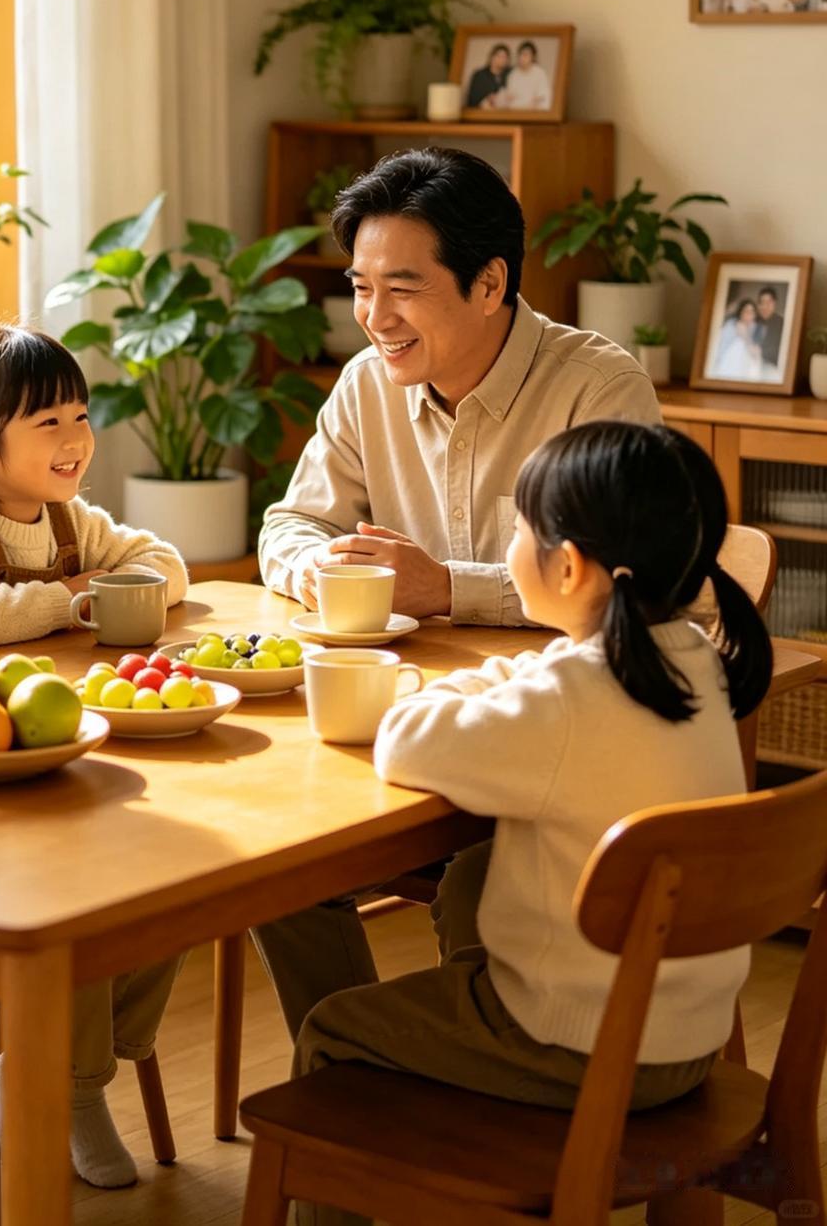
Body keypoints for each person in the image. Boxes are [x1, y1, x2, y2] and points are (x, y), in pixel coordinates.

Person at [292, 421, 772, 1226]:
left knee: (334, 1029)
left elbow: (404, 739)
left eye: (520, 529)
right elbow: (547, 687)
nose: (512, 544)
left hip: (578, 1044)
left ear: (570, 566)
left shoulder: (569, 703)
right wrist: (507, 676)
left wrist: (448, 688)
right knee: (477, 876)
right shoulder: (684, 655)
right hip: (689, 1032)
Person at [253, 148, 660, 1044]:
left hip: (550, 745)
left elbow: (629, 585)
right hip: (425, 717)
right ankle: (355, 1065)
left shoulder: (599, 387)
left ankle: (460, 1064)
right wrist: (321, 570)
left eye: (402, 288)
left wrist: (447, 589)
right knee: (268, 860)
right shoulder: (367, 385)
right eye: (360, 287)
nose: (372, 319)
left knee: (482, 871)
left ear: (489, 284)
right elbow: (290, 523)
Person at [0, 320, 188, 1189]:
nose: (75, 440)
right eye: (48, 423)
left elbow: (165, 566)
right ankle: (69, 1086)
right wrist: (76, 597)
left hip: (63, 748)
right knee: (86, 886)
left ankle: (73, 1062)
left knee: (176, 873)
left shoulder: (70, 517)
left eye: (79, 415)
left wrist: (80, 590)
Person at [711, 298, 764, 381]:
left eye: (752, 312)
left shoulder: (757, 328)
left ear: (755, 315)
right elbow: (721, 346)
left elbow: (756, 356)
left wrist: (745, 336)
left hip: (748, 365)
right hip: (728, 363)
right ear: (740, 313)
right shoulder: (731, 324)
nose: (749, 314)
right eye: (746, 311)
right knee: (738, 344)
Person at [490, 40, 551, 110]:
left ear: (533, 57)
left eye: (525, 55)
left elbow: (543, 97)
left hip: (534, 113)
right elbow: (509, 98)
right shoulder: (513, 74)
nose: (522, 58)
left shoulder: (540, 73)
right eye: (520, 54)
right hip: (516, 113)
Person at [465, 42, 511, 108]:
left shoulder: (508, 75)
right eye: (499, 56)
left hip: (502, 113)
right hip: (481, 113)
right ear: (492, 57)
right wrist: (488, 99)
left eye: (505, 57)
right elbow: (472, 100)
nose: (502, 59)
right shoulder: (480, 75)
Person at [755, 285, 785, 370]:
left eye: (769, 302)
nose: (765, 306)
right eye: (761, 303)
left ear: (775, 303)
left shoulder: (782, 323)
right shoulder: (753, 321)